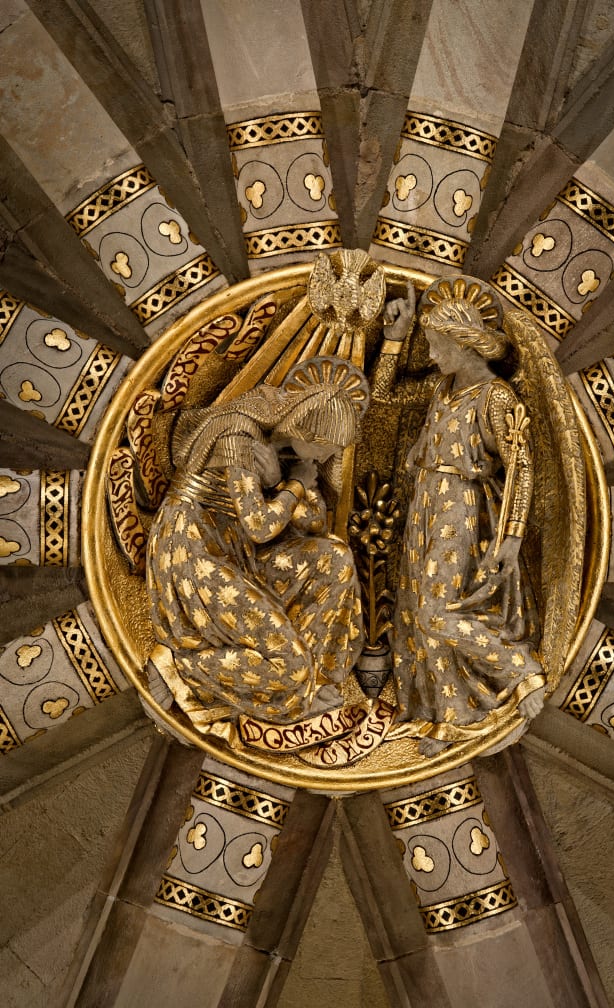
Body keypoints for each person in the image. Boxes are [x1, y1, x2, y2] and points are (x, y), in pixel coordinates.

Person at [146, 357, 367, 726]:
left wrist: (280, 482)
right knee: (289, 666)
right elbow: (260, 526)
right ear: (308, 429)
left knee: (336, 558)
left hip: (236, 552)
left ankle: (315, 683)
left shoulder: (282, 447)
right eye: (328, 446)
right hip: (195, 553)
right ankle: (177, 668)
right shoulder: (239, 435)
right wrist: (294, 486)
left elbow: (315, 522)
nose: (330, 456)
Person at [388, 282, 546, 753]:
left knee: (438, 613)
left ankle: (520, 670)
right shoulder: (443, 387)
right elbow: (385, 398)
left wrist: (511, 538)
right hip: (425, 508)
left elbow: (521, 466)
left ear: (464, 343)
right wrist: (393, 339)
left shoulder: (496, 397)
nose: (431, 356)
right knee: (415, 613)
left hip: (463, 511)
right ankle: (448, 717)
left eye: (437, 346)